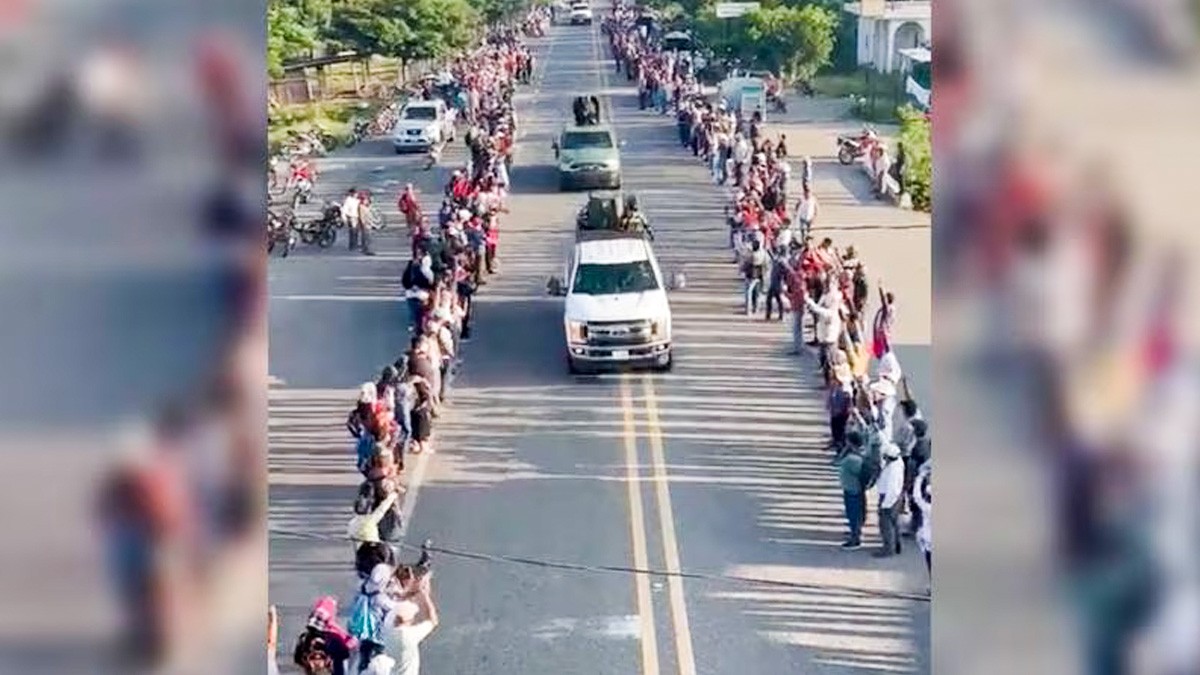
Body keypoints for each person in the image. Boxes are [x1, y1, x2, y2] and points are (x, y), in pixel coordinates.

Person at [382, 574, 439, 675]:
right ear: (409, 619)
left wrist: (410, 592)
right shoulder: (408, 636)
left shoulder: (387, 628)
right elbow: (433, 620)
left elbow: (397, 609)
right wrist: (425, 595)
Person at [836, 430, 867, 549]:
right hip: (853, 488)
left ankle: (855, 538)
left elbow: (838, 461)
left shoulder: (852, 459)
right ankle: (855, 533)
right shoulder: (857, 456)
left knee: (853, 514)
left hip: (853, 490)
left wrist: (845, 450)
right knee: (854, 513)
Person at [874, 441, 905, 558]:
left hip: (889, 498)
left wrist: (885, 504)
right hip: (896, 498)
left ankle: (888, 549)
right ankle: (897, 545)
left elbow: (892, 489)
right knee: (895, 523)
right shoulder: (898, 462)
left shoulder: (893, 469)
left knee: (886, 525)